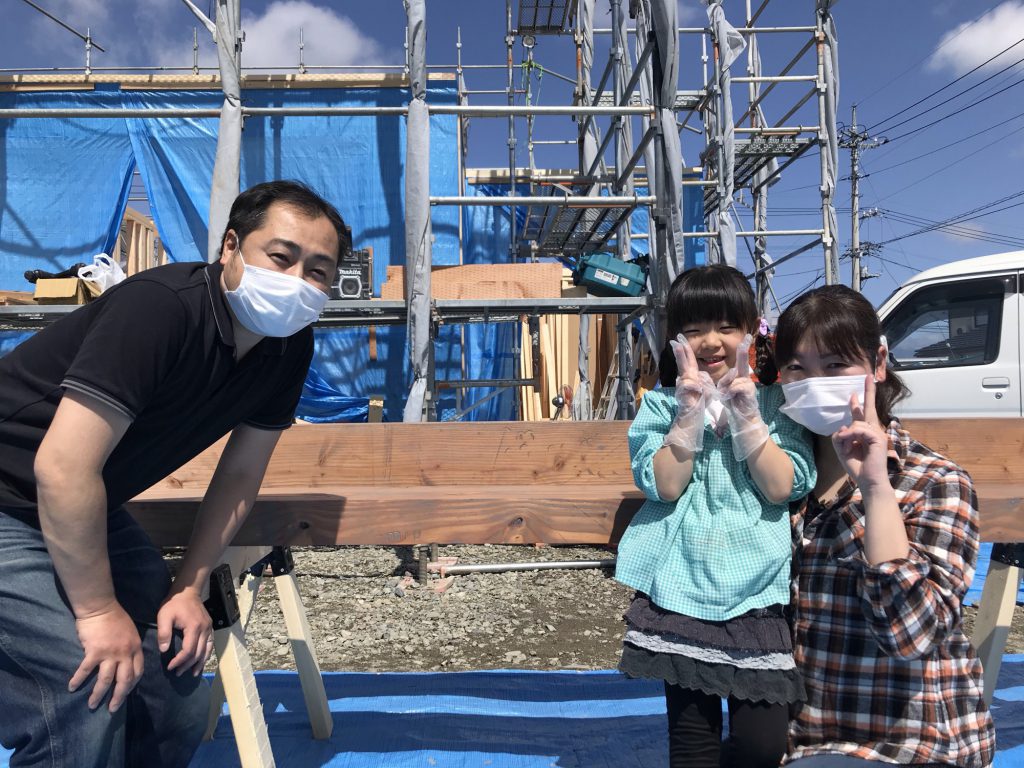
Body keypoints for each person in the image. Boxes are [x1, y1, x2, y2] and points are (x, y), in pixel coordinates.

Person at [0, 180, 349, 767]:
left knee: (174, 684)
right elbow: (62, 467)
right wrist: (97, 611)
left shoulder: (288, 347)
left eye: (318, 271)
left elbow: (240, 475)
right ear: (231, 247)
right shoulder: (160, 309)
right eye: (280, 257)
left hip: (82, 505)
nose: (295, 282)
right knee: (85, 681)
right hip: (14, 495)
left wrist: (189, 586)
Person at [770, 284, 996, 768]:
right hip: (801, 740)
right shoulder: (777, 480)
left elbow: (910, 636)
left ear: (878, 362)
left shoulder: (934, 482)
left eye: (835, 365)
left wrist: (874, 488)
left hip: (911, 742)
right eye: (797, 368)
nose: (815, 383)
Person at [615, 264, 816, 768]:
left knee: (762, 746)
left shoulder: (776, 404)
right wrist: (688, 412)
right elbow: (665, 485)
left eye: (726, 326)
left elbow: (781, 487)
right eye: (694, 329)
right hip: (680, 587)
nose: (711, 341)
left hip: (758, 593)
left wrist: (747, 414)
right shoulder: (661, 405)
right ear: (675, 339)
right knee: (693, 746)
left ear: (751, 331)